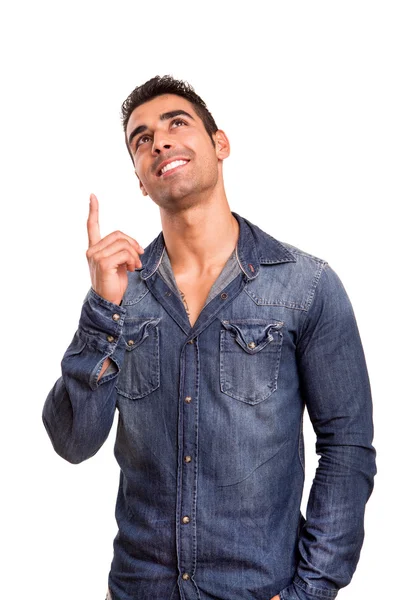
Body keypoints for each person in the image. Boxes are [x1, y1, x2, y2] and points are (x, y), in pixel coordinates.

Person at [42, 75, 376, 600]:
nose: (160, 142)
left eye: (177, 124)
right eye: (142, 139)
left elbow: (348, 449)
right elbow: (72, 441)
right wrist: (102, 309)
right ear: (140, 179)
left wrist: (311, 590)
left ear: (220, 145)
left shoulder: (306, 285)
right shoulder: (120, 292)